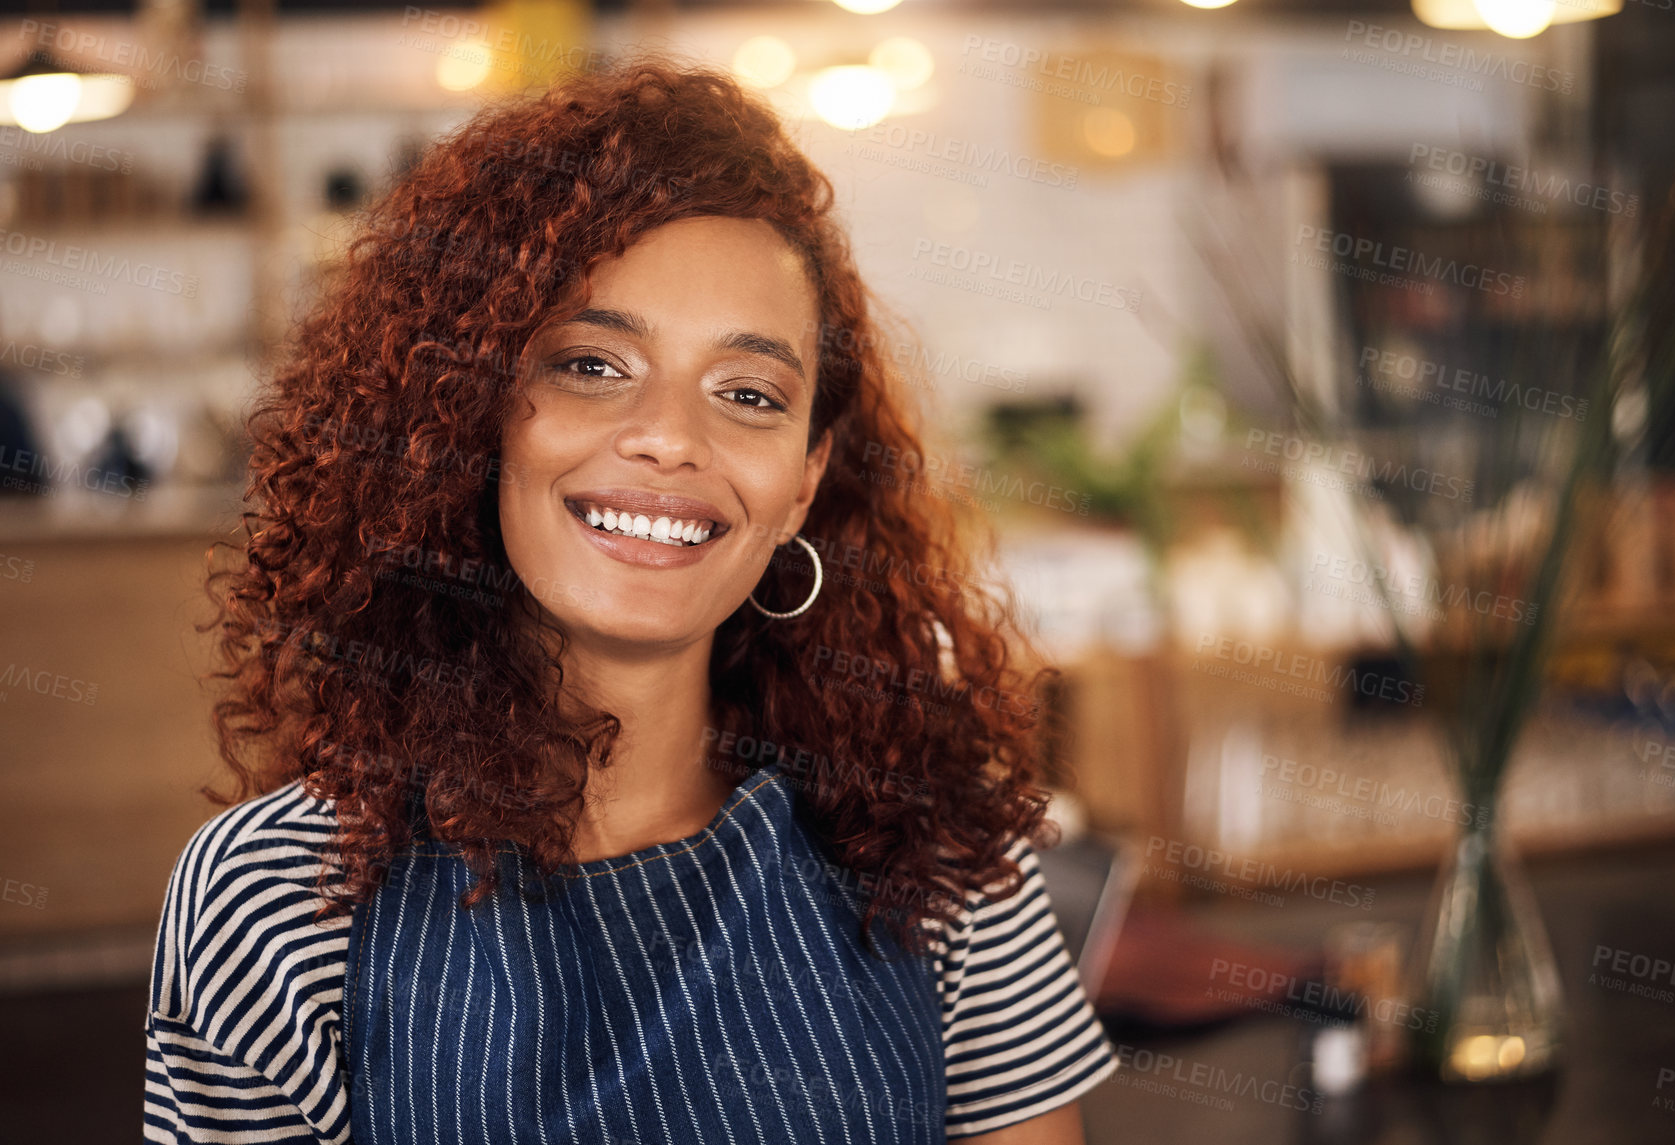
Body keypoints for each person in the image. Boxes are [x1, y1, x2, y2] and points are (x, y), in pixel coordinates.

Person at [145, 55, 1117, 1144]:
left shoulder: (933, 847)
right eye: (591, 364)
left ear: (800, 479)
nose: (668, 436)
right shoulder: (273, 897)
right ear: (470, 412)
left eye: (747, 393)